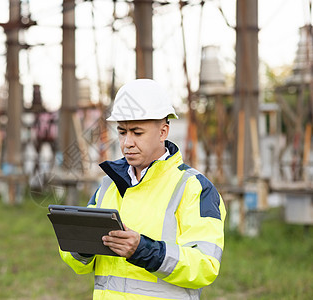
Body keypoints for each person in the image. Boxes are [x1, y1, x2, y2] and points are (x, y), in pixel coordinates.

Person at [59, 79, 226, 299]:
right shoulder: (109, 185)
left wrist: (143, 250)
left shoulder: (193, 187)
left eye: (137, 133)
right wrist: (83, 246)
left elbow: (205, 266)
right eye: (122, 132)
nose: (127, 142)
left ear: (162, 132)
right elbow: (77, 263)